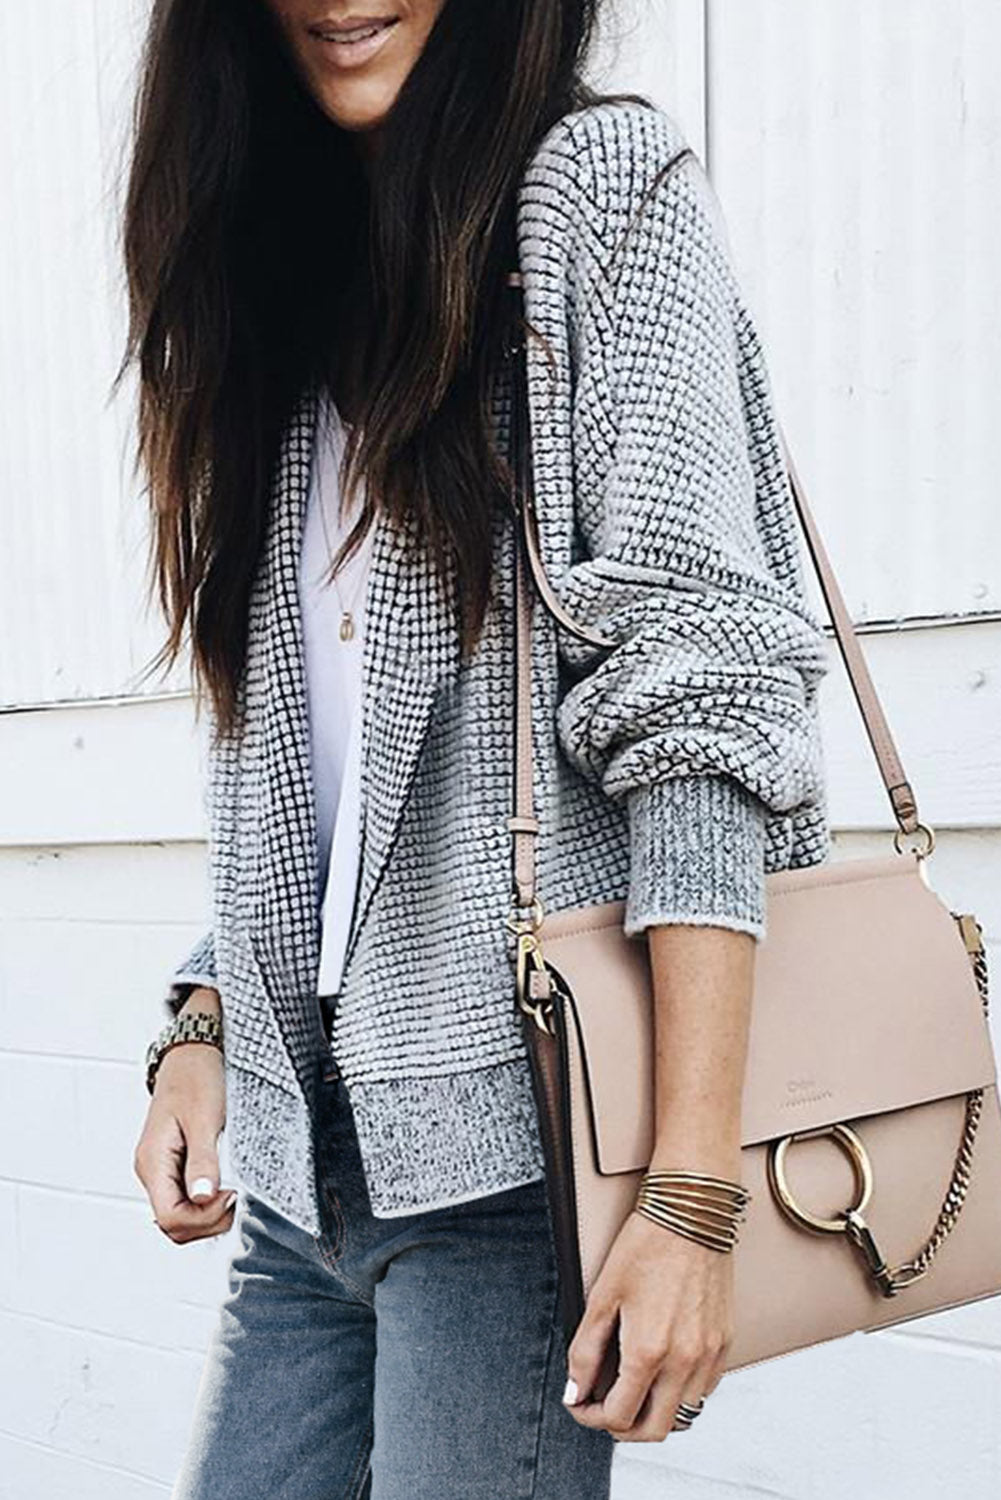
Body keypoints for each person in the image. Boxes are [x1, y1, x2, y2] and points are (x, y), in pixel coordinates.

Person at [126, 1, 830, 1495]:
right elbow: (325, 777)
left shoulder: (596, 195)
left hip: (516, 1176)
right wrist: (206, 1018)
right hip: (305, 1175)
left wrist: (692, 1193)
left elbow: (701, 704)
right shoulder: (283, 259)